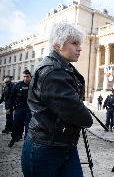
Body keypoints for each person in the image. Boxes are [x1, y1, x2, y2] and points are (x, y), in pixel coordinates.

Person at [21, 22, 93, 177]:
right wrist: (85, 116)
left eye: (79, 43)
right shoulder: (53, 72)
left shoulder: (63, 68)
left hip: (63, 144)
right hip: (46, 148)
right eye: (74, 43)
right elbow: (80, 115)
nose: (79, 48)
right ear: (58, 44)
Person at [8, 69, 32, 148]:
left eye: (27, 77)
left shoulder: (33, 86)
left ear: (30, 77)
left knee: (28, 126)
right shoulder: (18, 85)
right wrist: (9, 107)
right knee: (15, 124)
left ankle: (26, 142)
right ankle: (13, 138)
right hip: (19, 108)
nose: (26, 78)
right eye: (24, 76)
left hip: (29, 109)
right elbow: (11, 97)